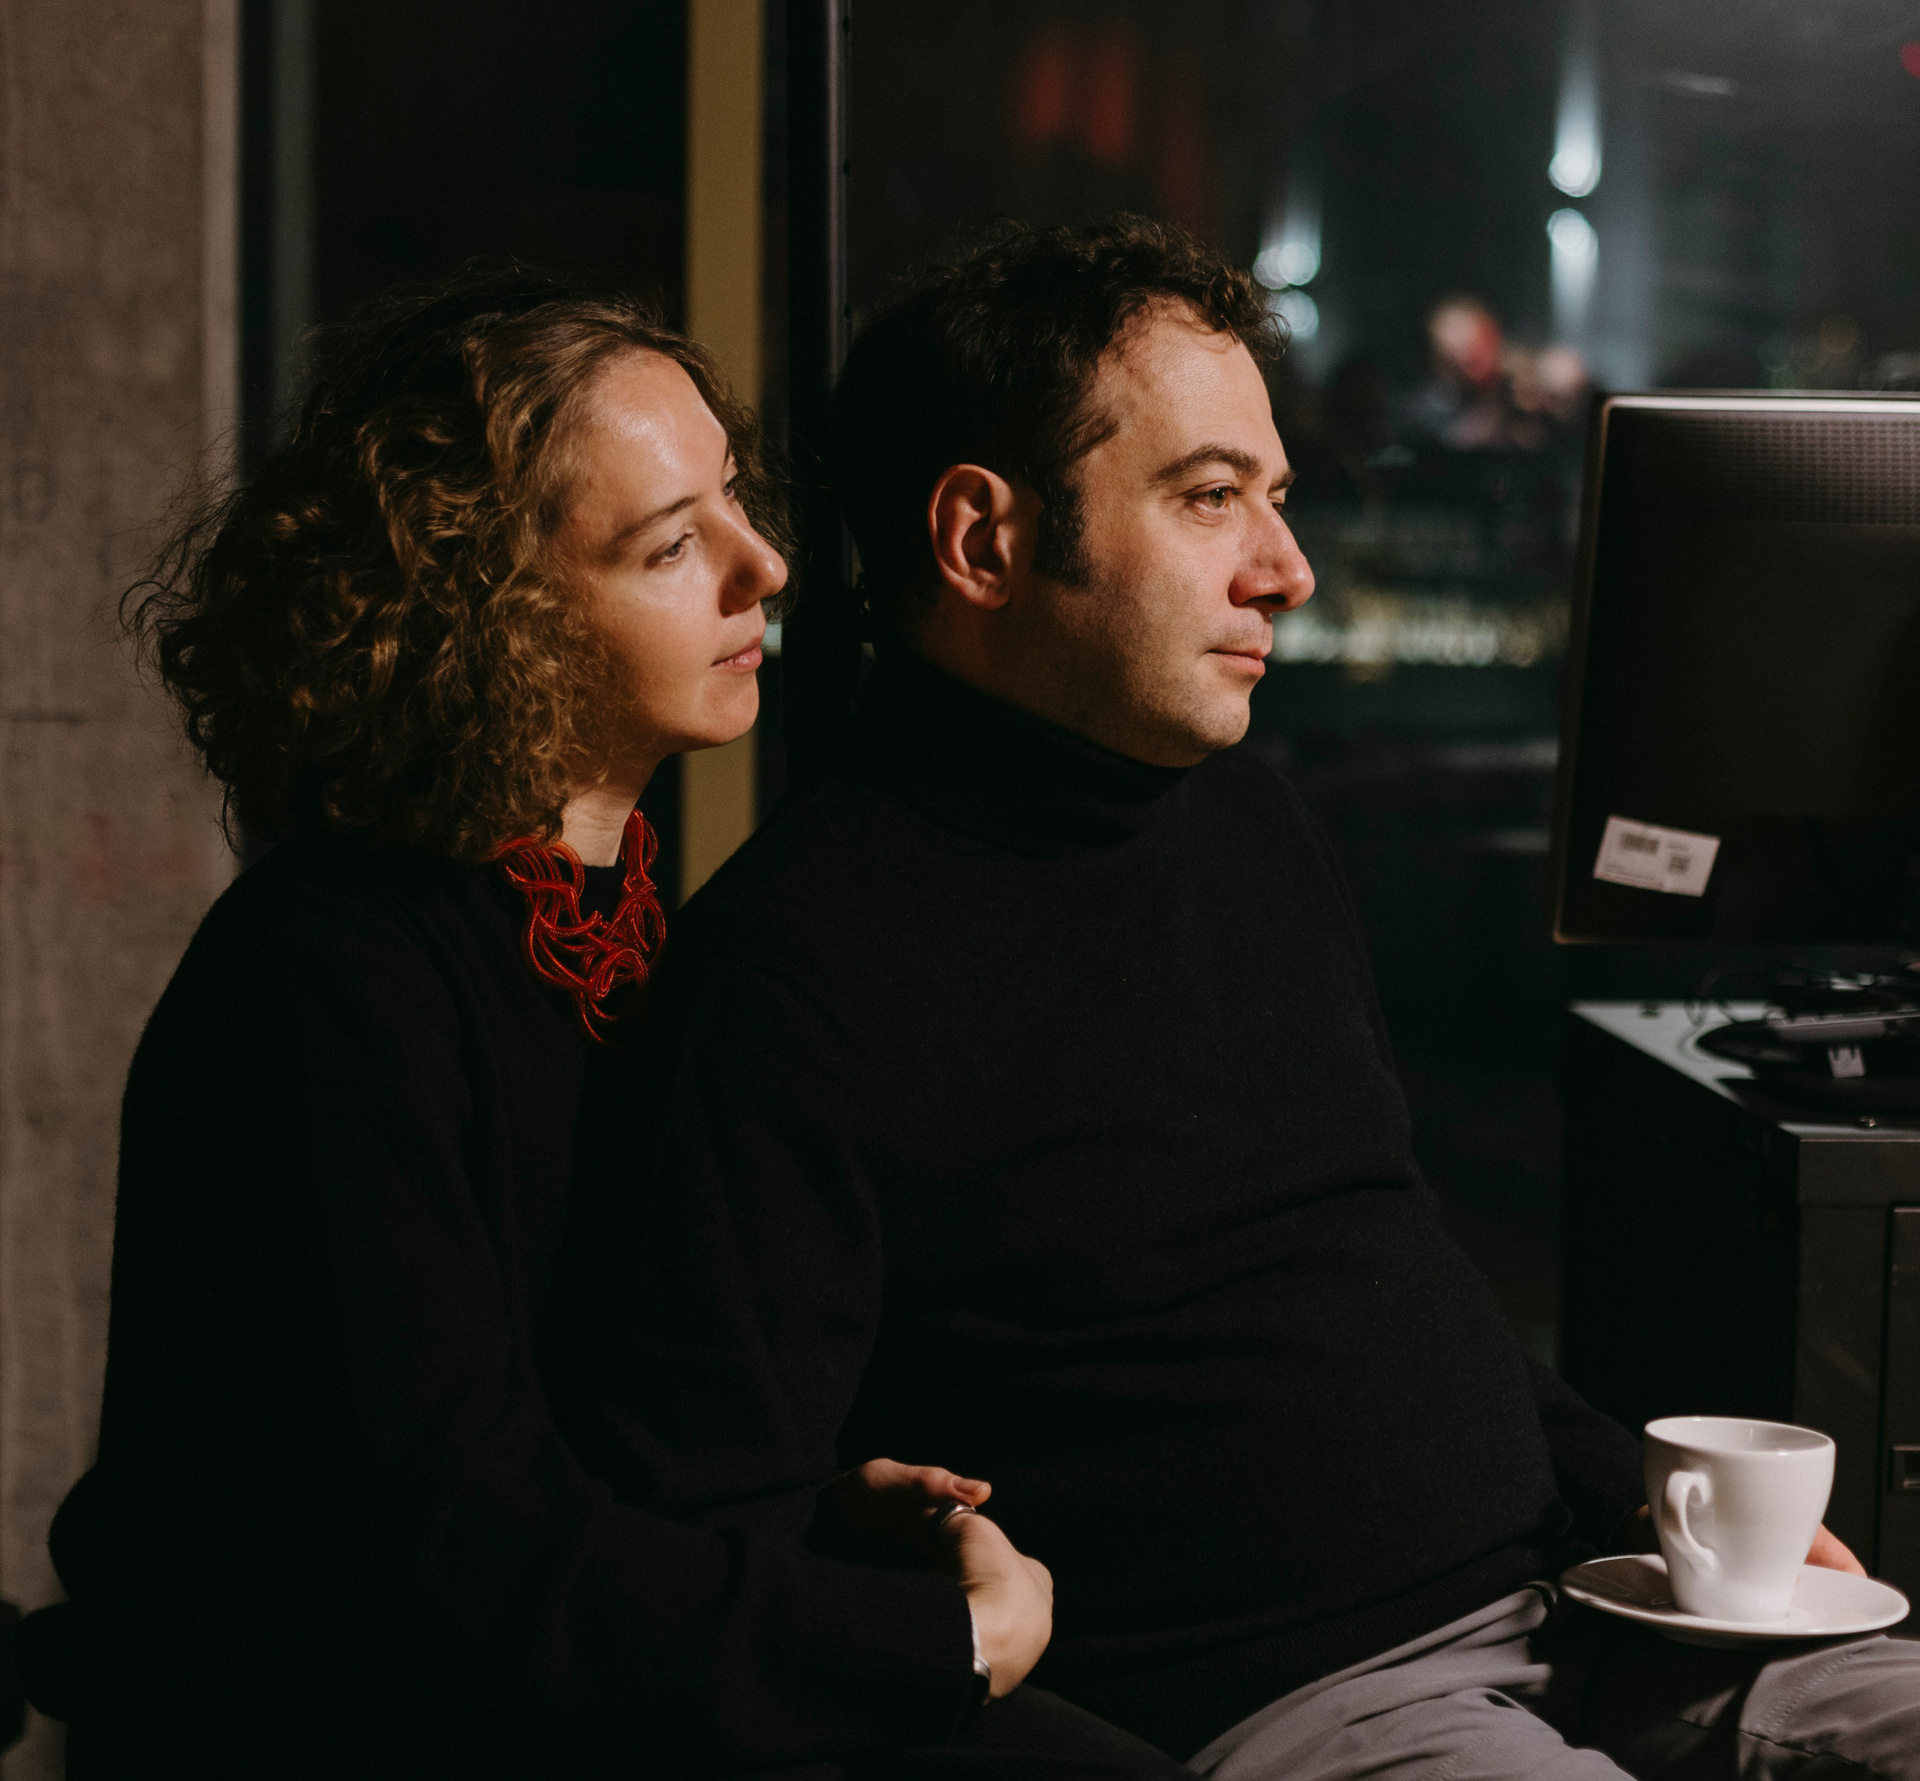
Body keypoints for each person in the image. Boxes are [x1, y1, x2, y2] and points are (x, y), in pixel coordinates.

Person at [623, 217, 1920, 1780]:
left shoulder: (1239, 816)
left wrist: (1646, 1497)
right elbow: (723, 1538)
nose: (1288, 571)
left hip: (1607, 1604)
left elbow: (1372, 1255)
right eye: (1209, 496)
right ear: (982, 540)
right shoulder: (797, 969)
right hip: (1310, 1699)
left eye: (1279, 498)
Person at [16, 266, 1075, 1780]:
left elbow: (570, 1414)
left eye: (734, 497)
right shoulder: (327, 978)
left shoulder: (625, 920)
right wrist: (918, 1643)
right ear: (491, 617)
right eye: (671, 543)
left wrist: (800, 1510)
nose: (767, 564)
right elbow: (462, 1544)